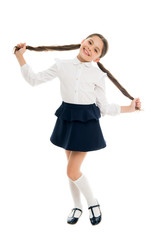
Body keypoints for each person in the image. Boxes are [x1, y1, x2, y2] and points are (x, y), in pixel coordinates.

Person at [14, 33, 141, 226]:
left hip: (86, 122)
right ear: (83, 41)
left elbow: (104, 107)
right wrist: (20, 57)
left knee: (72, 171)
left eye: (96, 49)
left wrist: (129, 109)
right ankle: (76, 205)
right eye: (90, 42)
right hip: (67, 118)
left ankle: (93, 203)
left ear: (97, 58)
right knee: (71, 170)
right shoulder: (62, 65)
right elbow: (34, 80)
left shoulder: (98, 75)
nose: (90, 48)